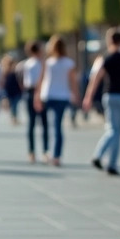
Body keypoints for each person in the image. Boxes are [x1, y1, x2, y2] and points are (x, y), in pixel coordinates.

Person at [84, 29, 120, 175]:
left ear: (109, 41)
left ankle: (100, 156)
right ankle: (110, 163)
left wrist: (88, 96)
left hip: (110, 95)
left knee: (113, 129)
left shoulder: (106, 59)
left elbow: (96, 79)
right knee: (117, 131)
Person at [33, 36, 77, 166]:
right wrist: (76, 94)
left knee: (46, 125)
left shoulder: (48, 62)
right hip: (62, 96)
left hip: (48, 95)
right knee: (58, 126)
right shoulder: (69, 63)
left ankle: (46, 151)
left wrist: (37, 96)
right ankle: (56, 155)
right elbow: (72, 81)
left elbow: (40, 81)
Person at [22, 41, 48, 162]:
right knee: (44, 123)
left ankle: (31, 151)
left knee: (32, 124)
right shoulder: (41, 64)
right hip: (39, 92)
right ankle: (45, 151)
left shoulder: (27, 64)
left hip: (30, 92)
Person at [0, 54, 21, 126]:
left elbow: (18, 80)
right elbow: (3, 82)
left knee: (15, 105)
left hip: (15, 90)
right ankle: (13, 117)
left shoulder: (15, 70)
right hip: (9, 90)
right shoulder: (4, 71)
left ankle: (14, 117)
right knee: (12, 105)